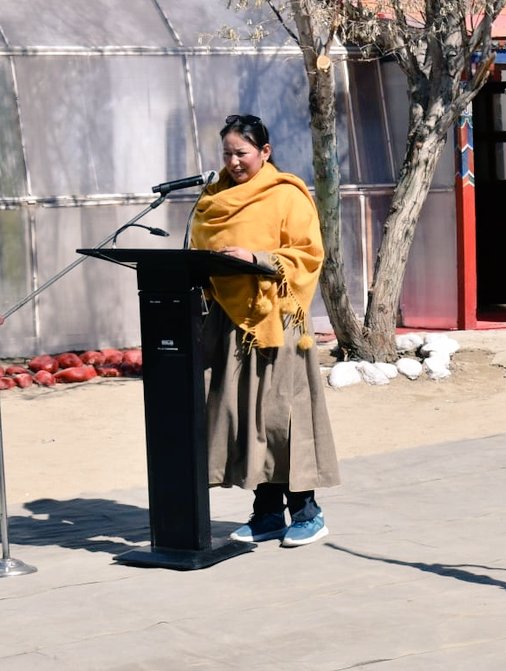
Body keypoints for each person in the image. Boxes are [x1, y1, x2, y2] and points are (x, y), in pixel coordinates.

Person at [191, 113, 341, 548]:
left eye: (242, 153)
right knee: (245, 415)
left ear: (265, 152)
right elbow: (199, 246)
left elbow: (309, 254)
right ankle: (267, 512)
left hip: (278, 316)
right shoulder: (212, 197)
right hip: (230, 321)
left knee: (282, 415)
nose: (234, 162)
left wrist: (257, 258)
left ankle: (308, 513)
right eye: (227, 154)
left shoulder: (286, 195)